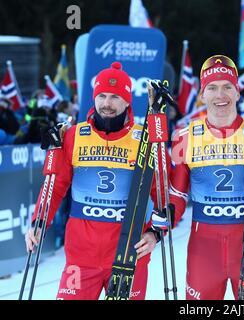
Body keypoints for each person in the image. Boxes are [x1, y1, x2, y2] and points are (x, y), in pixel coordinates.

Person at [25, 62, 162, 300]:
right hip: (81, 256)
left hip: (129, 256)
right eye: (102, 96)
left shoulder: (143, 139)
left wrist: (155, 233)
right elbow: (55, 187)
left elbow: (161, 193)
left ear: (127, 100)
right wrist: (40, 221)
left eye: (115, 97)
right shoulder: (73, 136)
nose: (107, 103)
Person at [168, 55, 244, 300]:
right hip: (203, 253)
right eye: (212, 88)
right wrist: (165, 220)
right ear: (203, 94)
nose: (220, 95)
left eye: (227, 87)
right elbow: (178, 194)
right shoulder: (184, 136)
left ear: (237, 92)